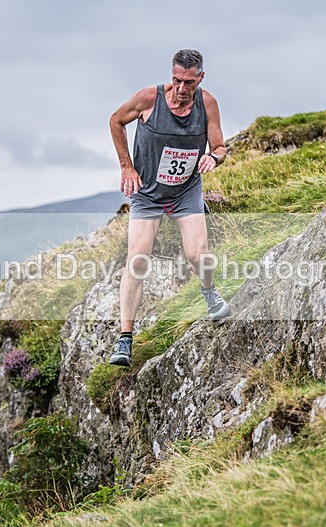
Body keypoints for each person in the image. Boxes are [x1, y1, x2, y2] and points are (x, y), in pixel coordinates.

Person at [107, 49, 230, 367]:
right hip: (147, 193)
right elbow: (115, 121)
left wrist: (213, 157)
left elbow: (219, 146)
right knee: (137, 259)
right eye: (176, 79)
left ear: (200, 78)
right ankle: (124, 340)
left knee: (197, 255)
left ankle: (209, 292)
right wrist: (126, 167)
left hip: (186, 190)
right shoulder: (150, 99)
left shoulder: (208, 104)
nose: (181, 88)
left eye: (189, 82)